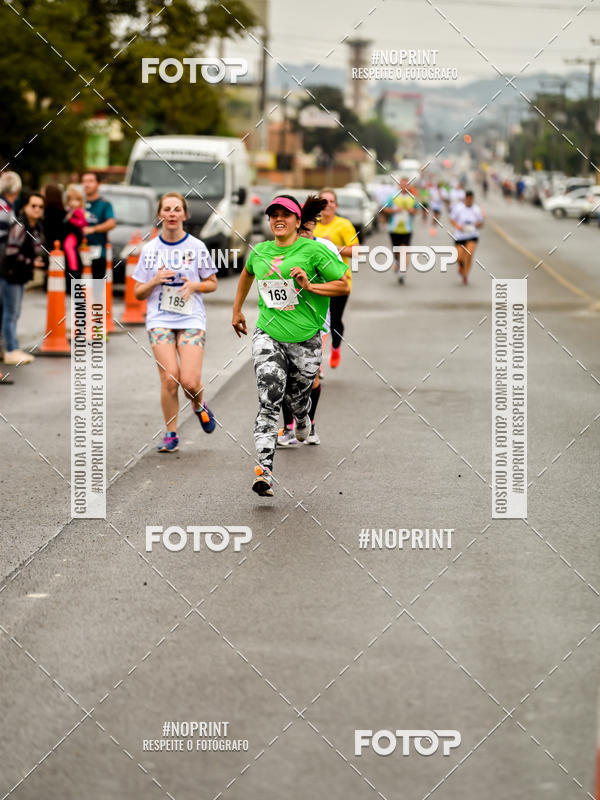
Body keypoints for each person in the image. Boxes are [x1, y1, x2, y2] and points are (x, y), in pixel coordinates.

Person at [232, 194, 349, 496]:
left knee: (299, 395)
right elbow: (246, 274)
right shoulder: (260, 252)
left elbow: (343, 284)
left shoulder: (314, 250)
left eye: (285, 214)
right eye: (273, 215)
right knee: (269, 399)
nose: (278, 219)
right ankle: (264, 470)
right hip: (268, 335)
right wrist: (237, 310)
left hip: (307, 339)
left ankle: (302, 416)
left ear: (298, 221)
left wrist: (310, 286)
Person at [133, 192, 218, 453]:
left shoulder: (196, 247)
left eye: (176, 209)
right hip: (159, 319)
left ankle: (198, 404)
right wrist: (155, 280)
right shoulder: (150, 250)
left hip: (191, 317)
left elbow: (212, 283)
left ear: (185, 215)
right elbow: (138, 292)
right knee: (170, 379)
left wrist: (195, 285)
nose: (171, 214)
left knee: (190, 383)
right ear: (160, 215)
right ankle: (171, 433)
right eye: (167, 209)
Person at [277, 195, 344, 447]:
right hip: (284, 320)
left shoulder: (324, 248)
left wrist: (311, 286)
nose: (305, 232)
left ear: (314, 226)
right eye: (301, 227)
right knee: (284, 375)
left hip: (316, 323)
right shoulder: (282, 247)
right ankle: (287, 428)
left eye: (309, 227)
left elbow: (340, 284)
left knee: (310, 376)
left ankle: (310, 423)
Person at [313, 188, 359, 369]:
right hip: (316, 281)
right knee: (317, 322)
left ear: (336, 205)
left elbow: (356, 251)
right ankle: (317, 363)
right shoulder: (311, 224)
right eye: (324, 201)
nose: (328, 204)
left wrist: (333, 246)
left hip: (339, 280)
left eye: (332, 201)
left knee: (334, 321)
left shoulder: (344, 225)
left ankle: (336, 348)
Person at [0, 193, 45, 364]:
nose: (37, 209)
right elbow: (11, 252)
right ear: (25, 206)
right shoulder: (20, 225)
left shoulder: (36, 227)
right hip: (10, 274)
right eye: (33, 205)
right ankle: (11, 349)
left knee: (13, 312)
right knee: (11, 313)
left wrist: (36, 259)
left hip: (20, 275)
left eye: (40, 207)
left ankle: (11, 348)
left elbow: (36, 248)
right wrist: (31, 261)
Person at [0, 172, 22, 360]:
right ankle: (10, 349)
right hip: (4, 267)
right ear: (17, 188)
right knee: (9, 309)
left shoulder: (7, 206)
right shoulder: (4, 208)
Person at [382, 176, 417, 285]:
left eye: (406, 184)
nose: (404, 186)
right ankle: (397, 262)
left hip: (407, 229)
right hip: (394, 229)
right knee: (397, 252)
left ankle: (402, 273)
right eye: (402, 184)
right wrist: (394, 210)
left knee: (404, 250)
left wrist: (412, 211)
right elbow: (384, 209)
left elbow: (416, 210)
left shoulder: (412, 198)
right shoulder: (393, 197)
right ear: (399, 185)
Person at [82, 172, 116, 279]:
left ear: (98, 184)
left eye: (90, 181)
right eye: (84, 181)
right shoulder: (78, 203)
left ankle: (97, 296)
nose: (87, 184)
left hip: (98, 252)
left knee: (97, 287)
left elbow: (111, 223)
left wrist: (93, 229)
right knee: (78, 289)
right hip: (80, 252)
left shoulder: (104, 204)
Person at [450, 190, 484, 285]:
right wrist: (458, 226)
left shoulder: (477, 209)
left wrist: (478, 224)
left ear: (472, 199)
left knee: (469, 254)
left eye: (471, 199)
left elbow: (481, 223)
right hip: (460, 236)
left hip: (472, 235)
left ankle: (465, 275)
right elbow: (452, 219)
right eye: (468, 199)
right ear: (465, 198)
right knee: (459, 257)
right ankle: (461, 266)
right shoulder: (458, 208)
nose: (469, 201)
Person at [63, 185, 87, 283]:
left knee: (69, 248)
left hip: (76, 235)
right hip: (71, 234)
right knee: (68, 248)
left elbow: (82, 222)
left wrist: (71, 220)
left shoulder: (78, 211)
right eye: (71, 200)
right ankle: (72, 268)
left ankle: (74, 269)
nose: (73, 203)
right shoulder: (70, 210)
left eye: (76, 200)